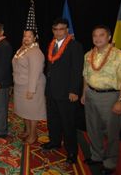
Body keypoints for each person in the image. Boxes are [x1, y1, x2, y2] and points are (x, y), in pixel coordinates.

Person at [81, 25, 121, 175]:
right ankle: (96, 156)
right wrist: (84, 92)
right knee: (93, 128)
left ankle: (110, 163)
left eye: (101, 35)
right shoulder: (88, 55)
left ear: (109, 37)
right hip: (91, 95)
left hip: (110, 97)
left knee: (111, 133)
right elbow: (85, 75)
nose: (97, 38)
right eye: (94, 36)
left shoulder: (120, 56)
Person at [42, 18, 83, 164]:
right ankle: (55, 141)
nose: (58, 32)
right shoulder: (51, 44)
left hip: (67, 92)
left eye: (61, 29)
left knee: (68, 123)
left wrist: (74, 90)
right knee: (53, 119)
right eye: (55, 29)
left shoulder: (74, 46)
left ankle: (72, 152)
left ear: (67, 30)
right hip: (52, 90)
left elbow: (77, 70)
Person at [12, 29, 46, 144]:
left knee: (32, 112)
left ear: (34, 38)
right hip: (20, 86)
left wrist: (31, 90)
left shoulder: (35, 52)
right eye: (25, 36)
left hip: (31, 86)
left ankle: (33, 134)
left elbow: (35, 72)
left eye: (29, 37)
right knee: (25, 111)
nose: (26, 38)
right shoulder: (22, 49)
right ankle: (27, 131)